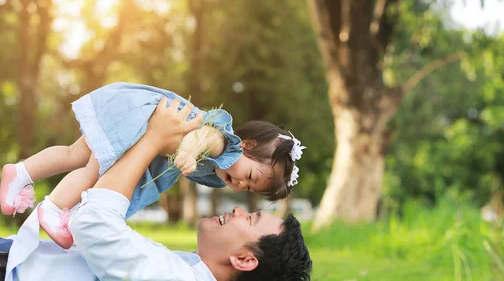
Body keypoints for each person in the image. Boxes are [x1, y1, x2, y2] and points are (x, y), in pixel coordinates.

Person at [0, 99, 312, 281]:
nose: (237, 209)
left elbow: (92, 223)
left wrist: (152, 140)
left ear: (244, 260)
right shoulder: (188, 279)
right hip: (16, 266)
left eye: (251, 218)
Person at [0, 82, 306, 248]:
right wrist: (187, 151)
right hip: (141, 123)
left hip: (133, 115)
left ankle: (20, 173)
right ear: (247, 147)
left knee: (73, 155)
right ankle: (53, 209)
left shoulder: (221, 168)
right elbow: (203, 137)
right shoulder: (225, 143)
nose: (240, 185)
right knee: (92, 169)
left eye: (249, 188)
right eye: (250, 176)